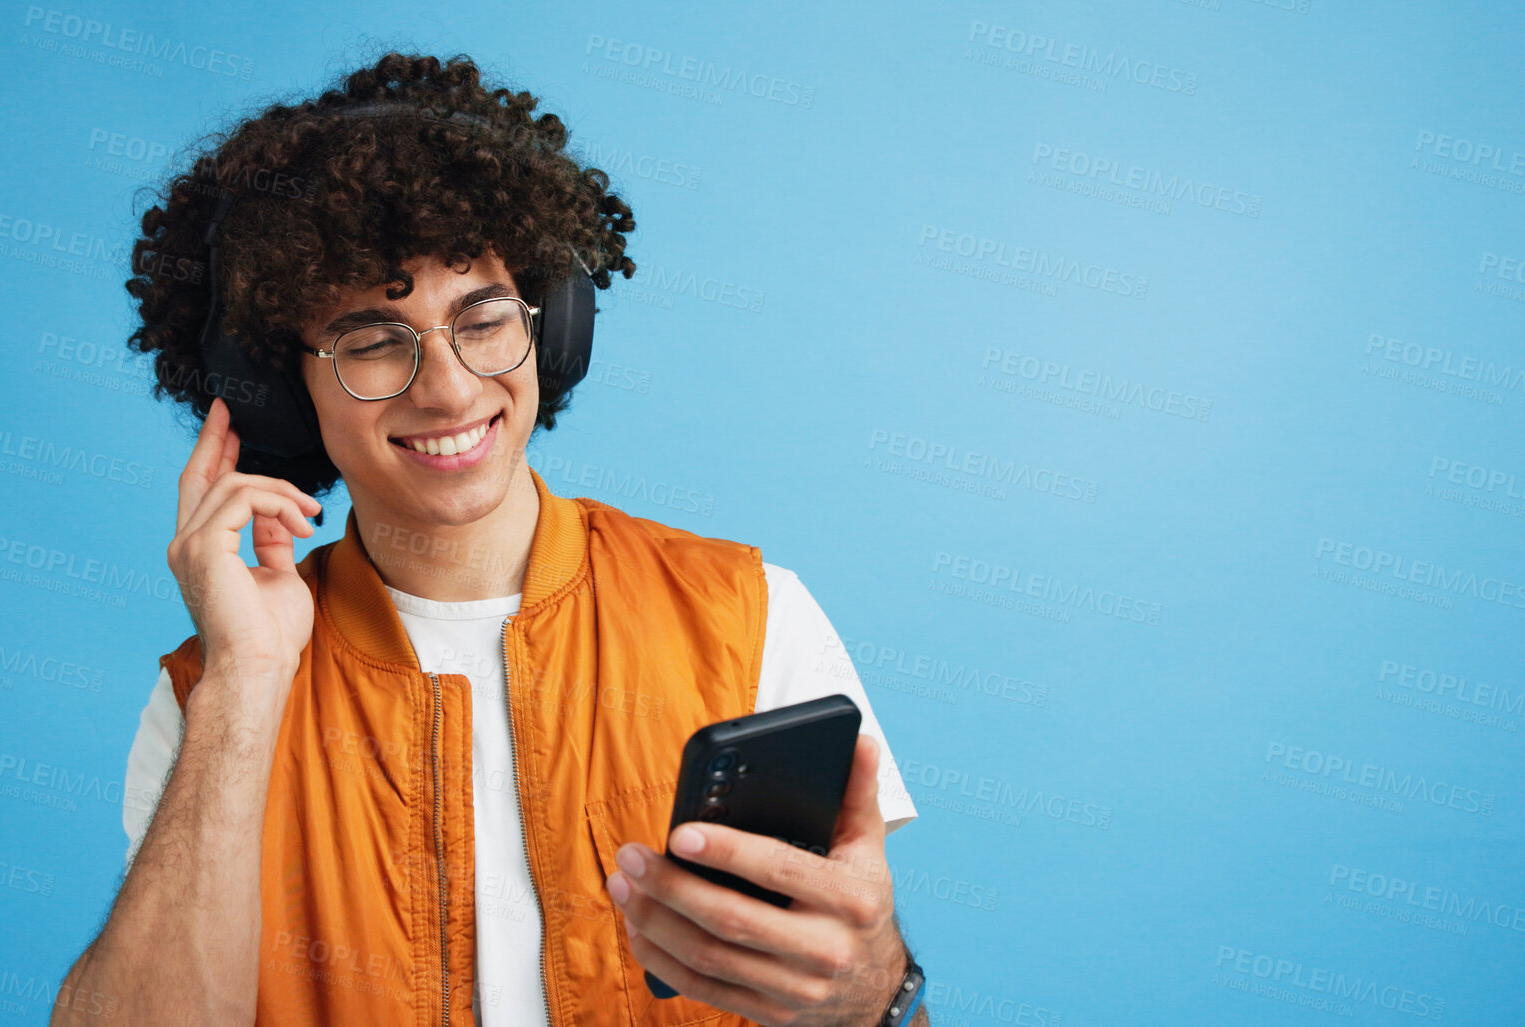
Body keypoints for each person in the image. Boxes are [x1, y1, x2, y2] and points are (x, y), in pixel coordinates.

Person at [54, 51, 926, 1027]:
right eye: (374, 339)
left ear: (551, 328)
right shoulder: (209, 692)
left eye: (483, 316)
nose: (451, 388)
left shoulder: (750, 615)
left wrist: (872, 993)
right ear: (274, 390)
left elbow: (870, 992)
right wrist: (247, 680)